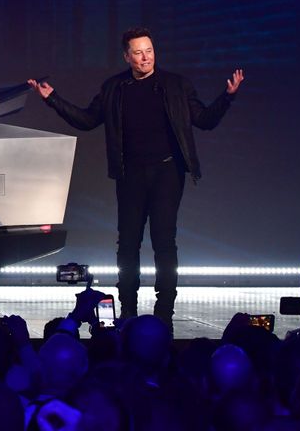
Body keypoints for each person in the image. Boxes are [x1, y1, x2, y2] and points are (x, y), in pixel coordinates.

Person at [27, 27, 244, 328]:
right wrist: (53, 99)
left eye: (150, 51)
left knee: (164, 241)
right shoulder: (115, 87)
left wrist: (228, 96)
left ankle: (164, 312)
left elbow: (205, 120)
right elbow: (87, 120)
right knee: (128, 244)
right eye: (139, 52)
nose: (146, 58)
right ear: (127, 56)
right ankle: (128, 309)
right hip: (130, 175)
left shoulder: (175, 85)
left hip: (168, 172)